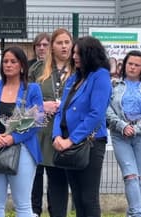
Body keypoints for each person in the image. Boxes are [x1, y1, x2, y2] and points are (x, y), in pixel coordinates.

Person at [0, 46, 43, 217]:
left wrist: (13, 138)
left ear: (22, 65)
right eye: (5, 61)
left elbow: (37, 121)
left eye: (13, 61)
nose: (8, 65)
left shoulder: (33, 89)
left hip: (23, 149)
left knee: (22, 205)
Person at [52, 36, 111, 217]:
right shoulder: (75, 78)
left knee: (88, 197)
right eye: (74, 52)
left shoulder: (100, 76)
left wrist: (71, 140)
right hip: (67, 142)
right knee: (77, 197)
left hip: (89, 143)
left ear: (90, 54)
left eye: (79, 53)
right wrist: (56, 136)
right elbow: (61, 110)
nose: (74, 56)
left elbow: (96, 114)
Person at [29, 28, 73, 217]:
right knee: (34, 178)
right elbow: (23, 101)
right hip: (39, 129)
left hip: (64, 132)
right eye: (59, 43)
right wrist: (40, 106)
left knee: (58, 181)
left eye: (67, 42)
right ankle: (34, 213)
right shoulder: (37, 69)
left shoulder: (78, 68)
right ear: (52, 47)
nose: (64, 46)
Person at [106, 50, 141, 217]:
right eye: (130, 64)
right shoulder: (114, 85)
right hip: (120, 136)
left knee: (139, 178)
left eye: (137, 65)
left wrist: (136, 128)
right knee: (131, 176)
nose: (133, 67)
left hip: (139, 135)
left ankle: (133, 212)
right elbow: (107, 109)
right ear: (124, 64)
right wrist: (122, 126)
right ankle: (136, 213)